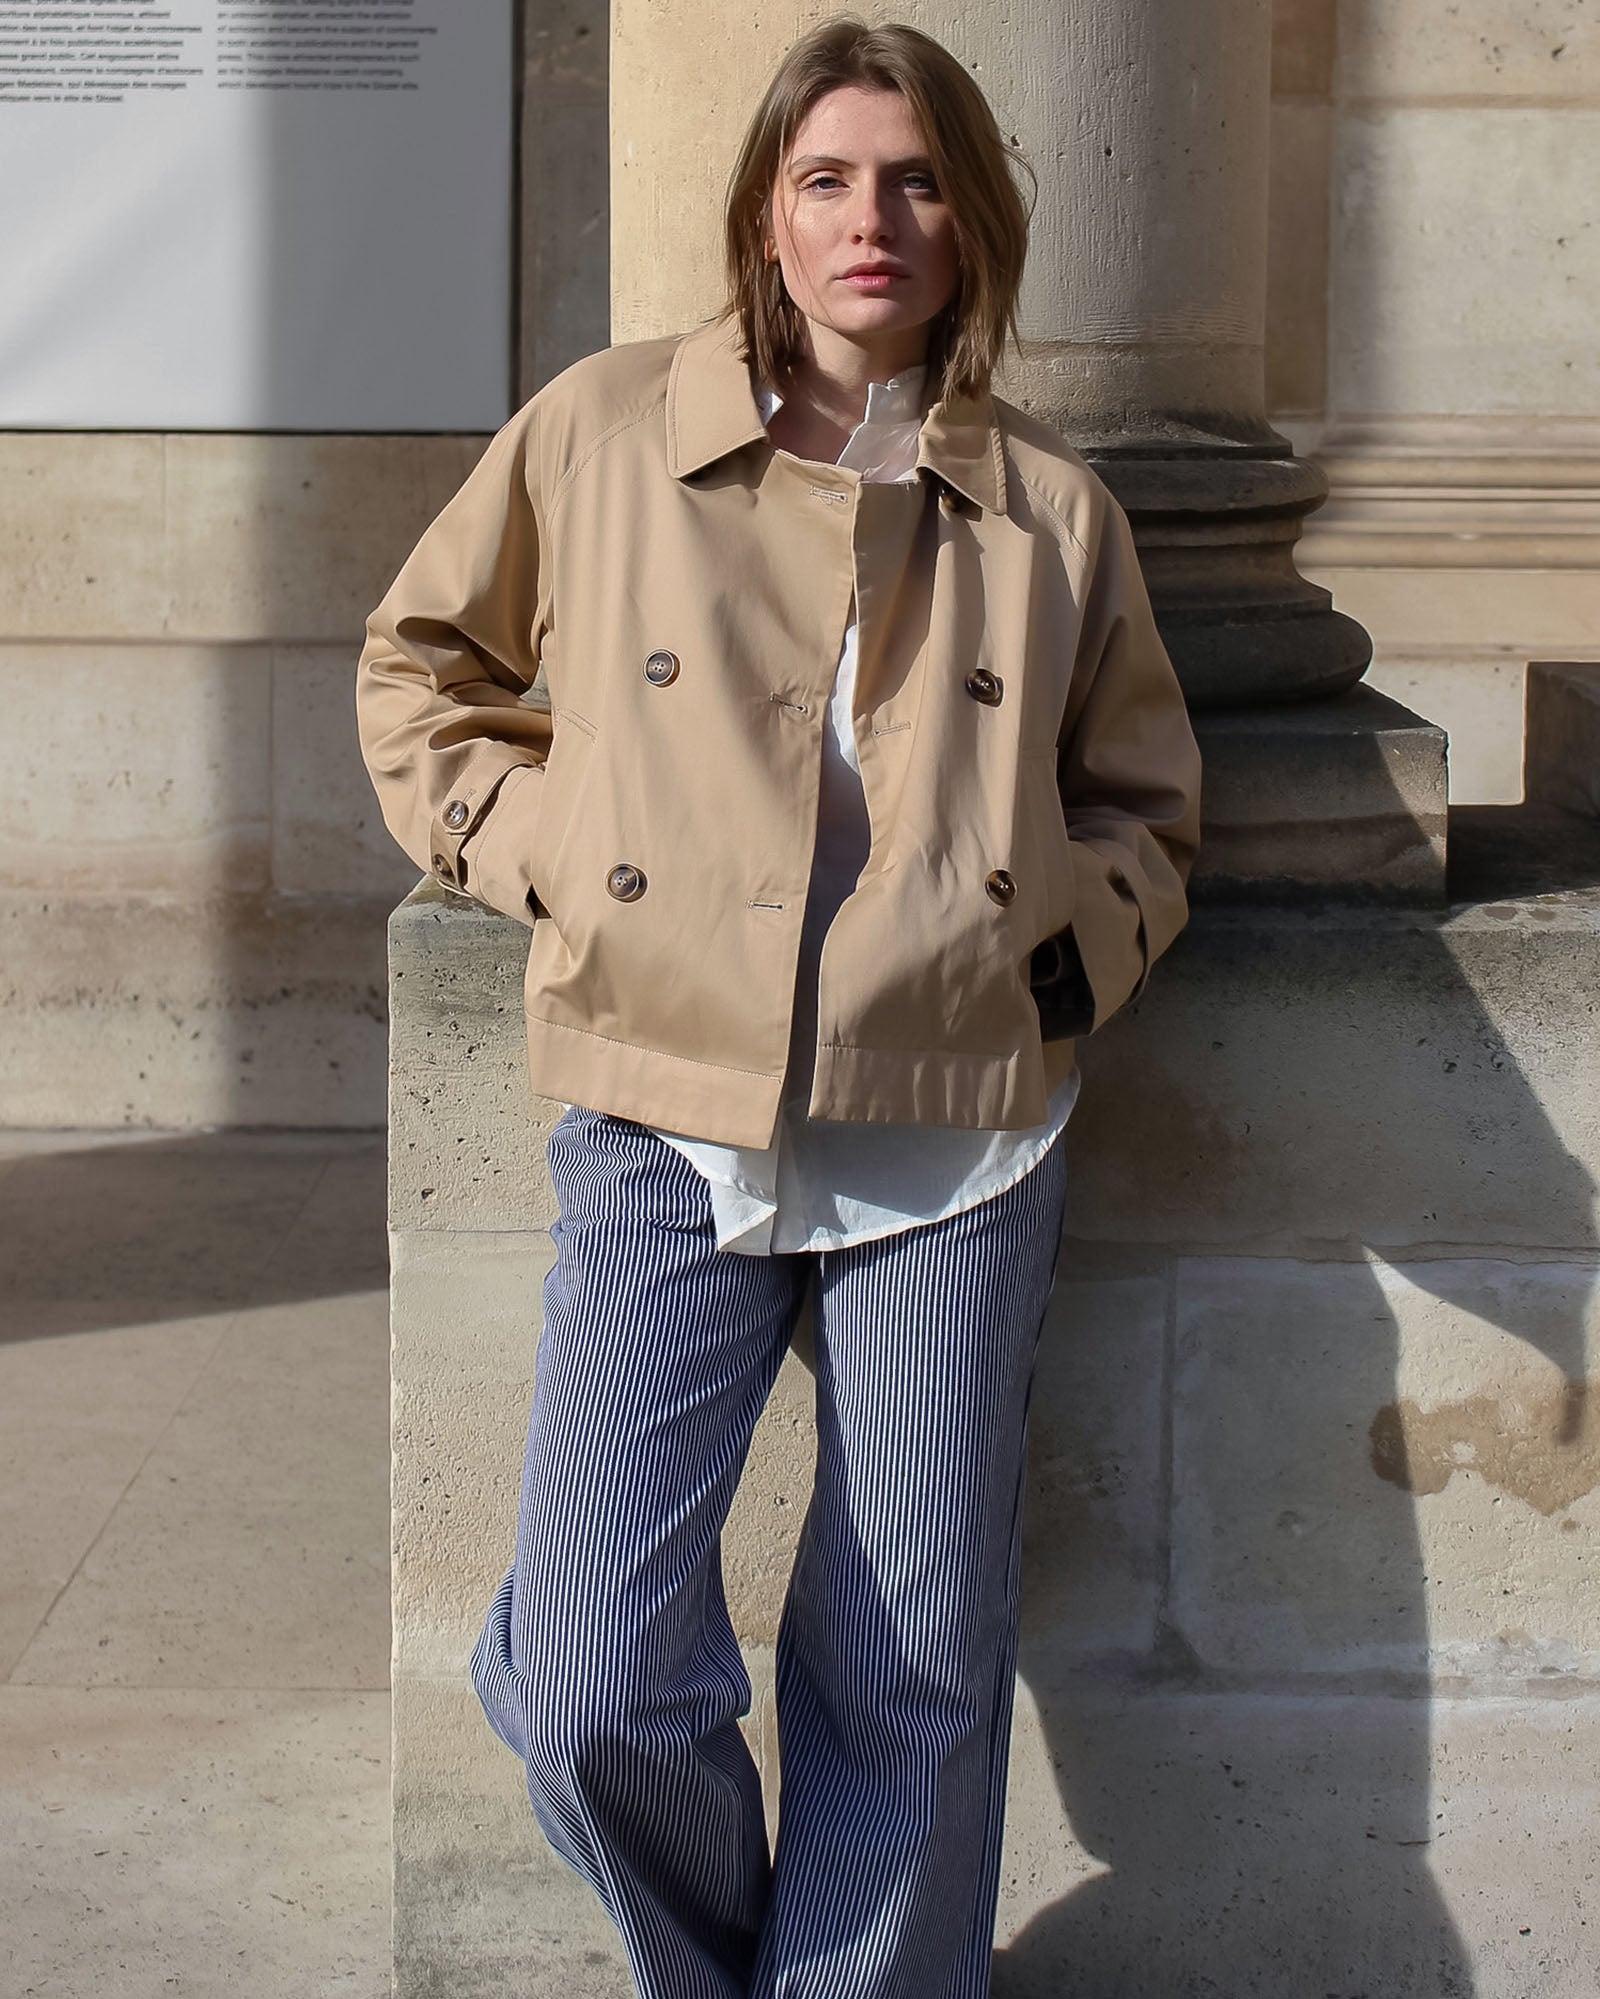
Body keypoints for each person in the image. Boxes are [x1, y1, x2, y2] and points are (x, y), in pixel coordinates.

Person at [355, 16, 1201, 1998]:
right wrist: (551, 855)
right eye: (825, 179)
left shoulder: (1049, 505)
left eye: (914, 181)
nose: (867, 219)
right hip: (663, 1101)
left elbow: (1145, 806)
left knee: (906, 1667)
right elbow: (420, 672)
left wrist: (1048, 960)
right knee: (588, 1676)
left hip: (958, 1123)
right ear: (762, 214)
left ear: (971, 223)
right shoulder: (602, 430)